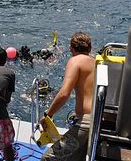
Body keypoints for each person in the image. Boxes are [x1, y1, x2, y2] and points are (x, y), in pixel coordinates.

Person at [41, 32, 95, 161]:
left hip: (85, 122)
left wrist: (48, 114)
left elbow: (65, 93)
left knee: (48, 158)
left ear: (71, 48)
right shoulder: (95, 62)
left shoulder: (75, 61)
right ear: (90, 48)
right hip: (97, 120)